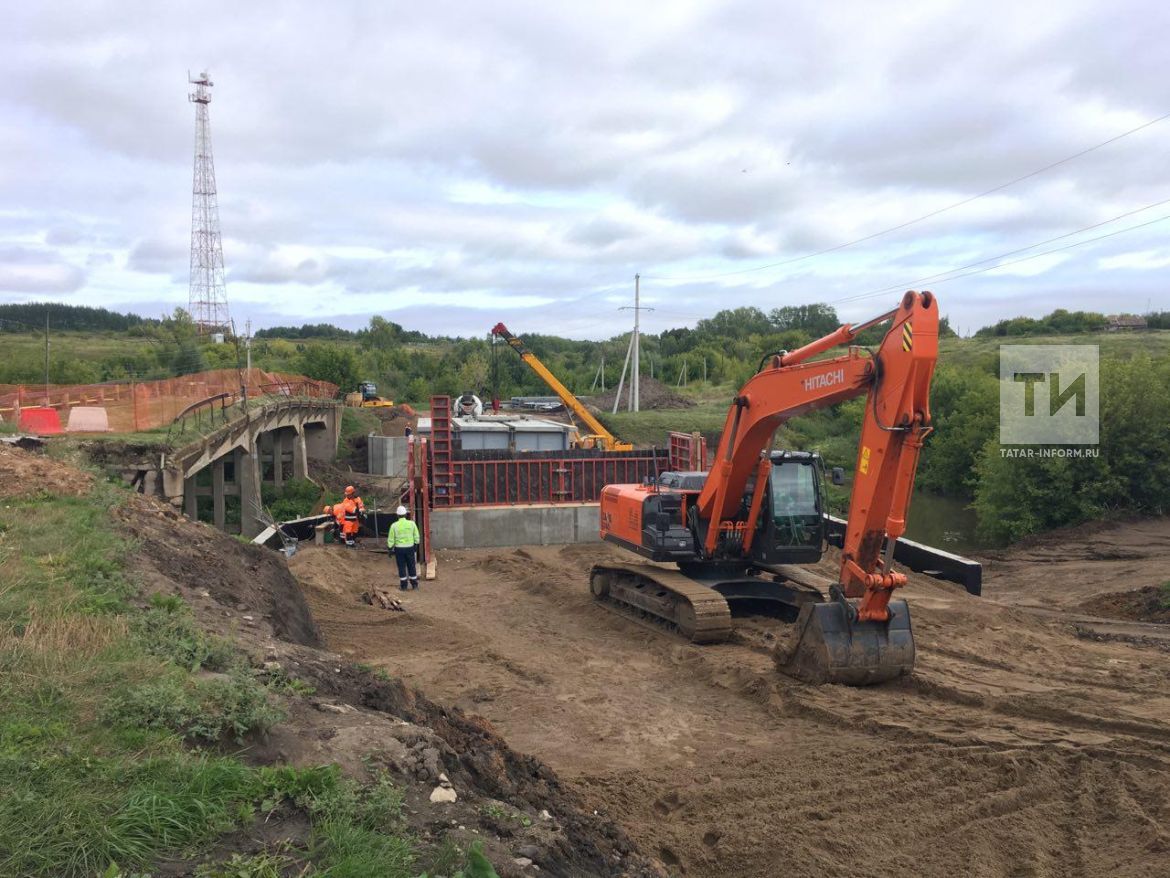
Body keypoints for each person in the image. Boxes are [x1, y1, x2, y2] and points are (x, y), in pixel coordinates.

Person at [387, 505, 420, 590]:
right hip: (410, 548)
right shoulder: (412, 524)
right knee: (411, 565)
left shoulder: (394, 525)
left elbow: (391, 539)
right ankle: (414, 585)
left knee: (401, 567)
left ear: (397, 515)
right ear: (405, 514)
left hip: (399, 549)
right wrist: (416, 545)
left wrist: (390, 549)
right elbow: (416, 535)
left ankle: (404, 586)